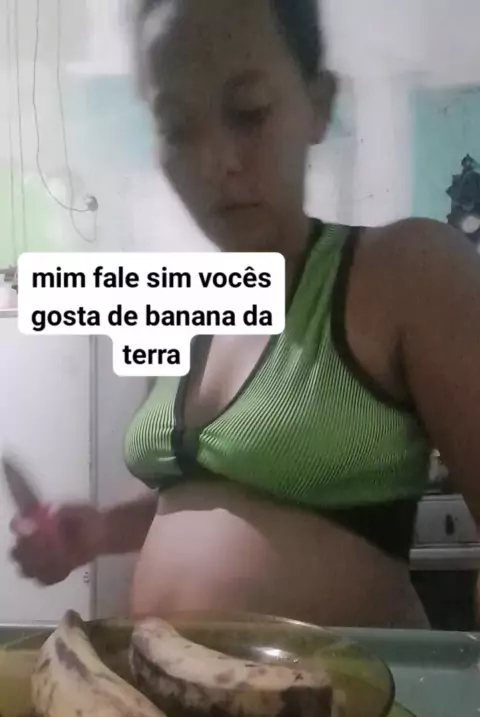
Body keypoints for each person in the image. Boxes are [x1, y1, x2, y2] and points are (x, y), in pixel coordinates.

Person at [10, 0, 480, 629]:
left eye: (249, 113)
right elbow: (203, 493)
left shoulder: (405, 270)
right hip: (156, 682)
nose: (214, 163)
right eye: (178, 127)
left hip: (348, 692)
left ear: (318, 104)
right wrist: (97, 531)